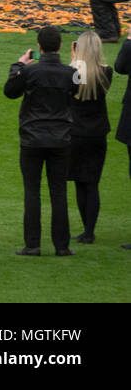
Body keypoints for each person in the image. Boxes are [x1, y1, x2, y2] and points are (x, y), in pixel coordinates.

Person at [5, 26, 77, 257]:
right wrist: (76, 61)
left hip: (32, 139)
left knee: (32, 191)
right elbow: (80, 85)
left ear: (38, 48)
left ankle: (33, 244)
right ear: (60, 46)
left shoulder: (30, 72)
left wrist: (19, 65)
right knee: (59, 192)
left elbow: (10, 91)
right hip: (60, 139)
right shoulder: (69, 73)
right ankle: (62, 245)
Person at [68, 30, 113, 244]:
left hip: (76, 133)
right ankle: (89, 230)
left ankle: (86, 230)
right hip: (97, 133)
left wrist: (74, 60)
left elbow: (75, 88)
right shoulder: (107, 72)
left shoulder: (76, 71)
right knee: (92, 182)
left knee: (79, 181)